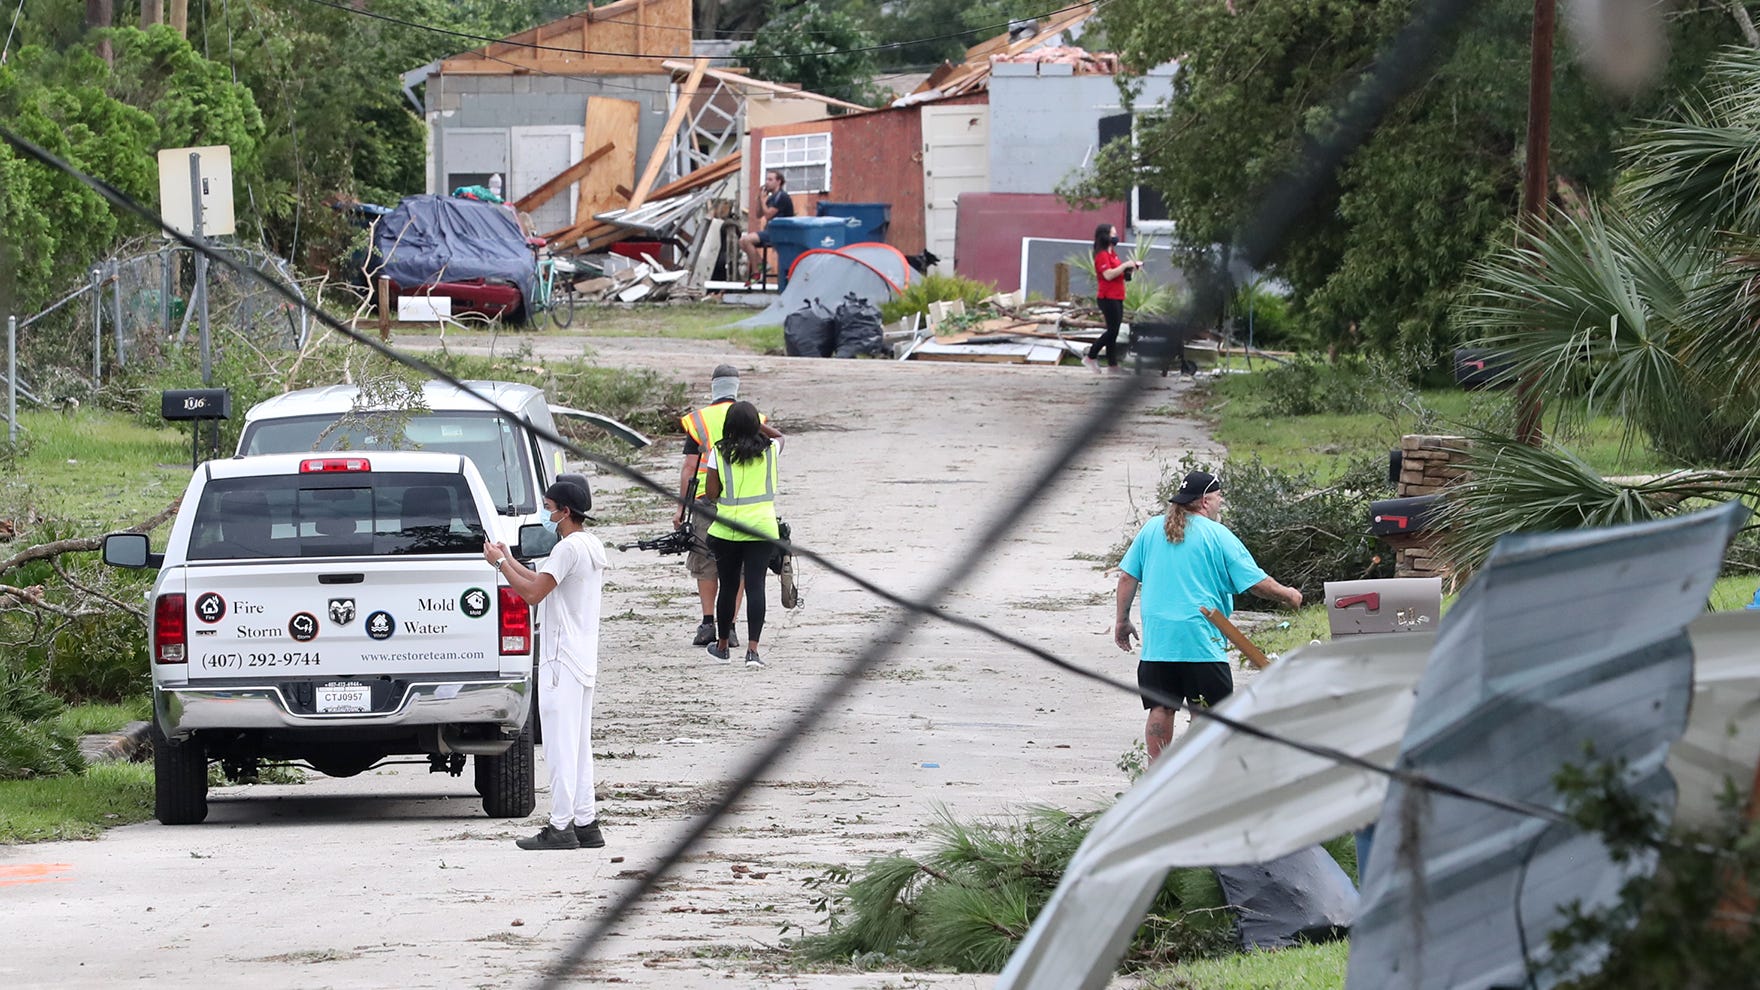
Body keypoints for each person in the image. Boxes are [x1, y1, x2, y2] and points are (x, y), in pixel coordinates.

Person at [1113, 470, 1302, 762]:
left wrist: (1122, 620)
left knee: (1161, 708)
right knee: (1206, 710)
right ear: (1204, 501)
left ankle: (1156, 771)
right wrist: (1288, 594)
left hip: (1160, 642)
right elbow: (1256, 583)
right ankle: (1196, 769)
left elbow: (1127, 577)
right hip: (1201, 639)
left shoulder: (1151, 529)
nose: (1220, 502)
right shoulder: (1218, 534)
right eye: (1218, 497)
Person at [484, 480, 608, 851]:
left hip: (559, 659)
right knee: (579, 745)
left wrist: (499, 565)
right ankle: (585, 822)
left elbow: (533, 593)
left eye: (549, 507)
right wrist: (508, 560)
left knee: (559, 746)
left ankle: (560, 825)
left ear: (565, 511)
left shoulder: (567, 548)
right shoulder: (589, 544)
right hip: (581, 657)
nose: (545, 513)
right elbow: (541, 580)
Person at [677, 365, 781, 648]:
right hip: (758, 518)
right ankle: (733, 629)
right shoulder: (764, 434)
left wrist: (680, 510)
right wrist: (754, 422)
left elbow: (689, 468)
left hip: (708, 503)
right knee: (745, 575)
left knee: (706, 563)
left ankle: (708, 623)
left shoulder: (698, 421)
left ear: (713, 386)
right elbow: (779, 439)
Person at [702, 401, 782, 669]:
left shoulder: (718, 453)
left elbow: (711, 493)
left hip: (728, 529)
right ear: (756, 425)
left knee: (728, 587)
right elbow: (781, 436)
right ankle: (753, 652)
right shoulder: (771, 450)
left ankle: (723, 646)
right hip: (762, 528)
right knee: (756, 587)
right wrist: (757, 426)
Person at [1085, 223, 1143, 374]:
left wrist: (1129, 270)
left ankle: (1112, 365)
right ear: (1105, 236)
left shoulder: (1113, 254)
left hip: (1117, 296)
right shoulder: (1102, 255)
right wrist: (1124, 266)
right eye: (1113, 234)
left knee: (1114, 331)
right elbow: (1108, 275)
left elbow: (1118, 274)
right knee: (1112, 331)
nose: (1115, 237)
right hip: (1107, 297)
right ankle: (1091, 355)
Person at [738, 170, 796, 287]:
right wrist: (759, 199)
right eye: (766, 179)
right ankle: (762, 264)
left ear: (778, 182)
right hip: (770, 231)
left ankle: (756, 273)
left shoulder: (782, 197)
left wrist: (763, 201)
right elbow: (759, 214)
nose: (767, 182)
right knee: (742, 241)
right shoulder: (771, 198)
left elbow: (769, 215)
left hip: (780, 232)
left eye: (770, 180)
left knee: (747, 240)